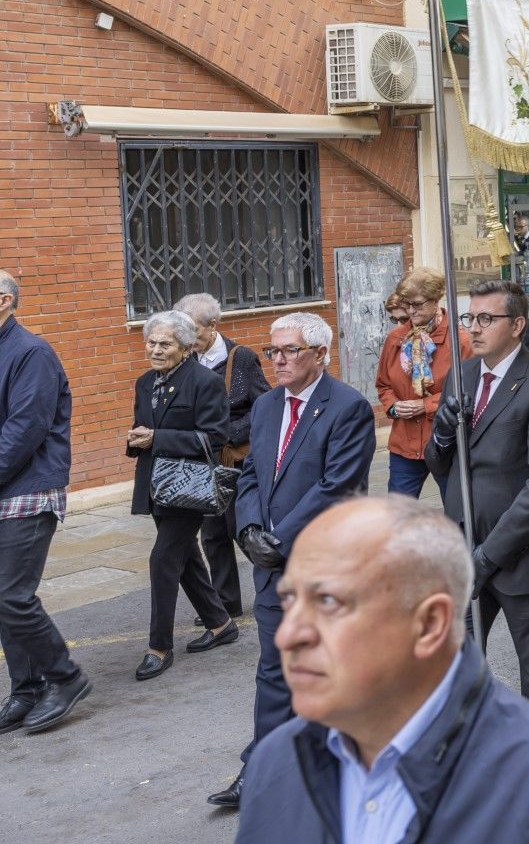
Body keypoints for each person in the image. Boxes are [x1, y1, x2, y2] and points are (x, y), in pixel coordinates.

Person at [237, 497, 529, 843]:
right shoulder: (276, 761)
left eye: (327, 601)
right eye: (290, 601)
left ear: (429, 624)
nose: (288, 636)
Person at [215, 312, 376, 808]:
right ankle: (264, 768)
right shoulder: (265, 406)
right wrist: (247, 529)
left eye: (290, 351)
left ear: (320, 355)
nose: (278, 360)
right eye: (273, 351)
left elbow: (337, 488)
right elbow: (251, 477)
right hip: (271, 569)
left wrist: (277, 539)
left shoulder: (348, 408)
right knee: (274, 671)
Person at [424, 280, 529, 719]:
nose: (474, 327)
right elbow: (442, 468)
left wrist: (489, 556)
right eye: (471, 318)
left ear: (517, 326)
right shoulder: (462, 373)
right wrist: (442, 433)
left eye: (487, 319)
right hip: (463, 545)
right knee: (458, 669)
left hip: (525, 557)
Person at [0, 271, 90, 735]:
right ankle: (27, 688)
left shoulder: (30, 352)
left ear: (4, 301)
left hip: (28, 490)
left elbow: (24, 432)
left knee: (13, 596)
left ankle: (66, 677)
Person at [125, 309, 236, 681]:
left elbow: (214, 437)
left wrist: (158, 439)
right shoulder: (144, 382)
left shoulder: (204, 382)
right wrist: (137, 439)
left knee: (163, 560)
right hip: (155, 484)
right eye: (151, 342)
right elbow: (146, 427)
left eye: (165, 343)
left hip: (189, 487)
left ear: (186, 347)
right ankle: (221, 624)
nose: (155, 350)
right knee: (185, 556)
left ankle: (159, 646)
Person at [177, 292, 270, 623]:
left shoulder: (240, 358)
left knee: (240, 528)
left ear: (212, 325)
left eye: (192, 332)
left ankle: (277, 589)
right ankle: (226, 603)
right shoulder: (184, 359)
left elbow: (265, 406)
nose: (185, 339)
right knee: (212, 534)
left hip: (234, 459)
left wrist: (226, 432)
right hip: (201, 461)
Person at [374, 268, 471, 501]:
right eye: (407, 304)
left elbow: (467, 391)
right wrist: (394, 407)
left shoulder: (461, 341)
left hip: (446, 442)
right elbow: (383, 384)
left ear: (436, 300)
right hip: (404, 443)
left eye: (416, 304)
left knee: (457, 513)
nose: (410, 311)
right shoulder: (396, 338)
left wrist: (425, 405)